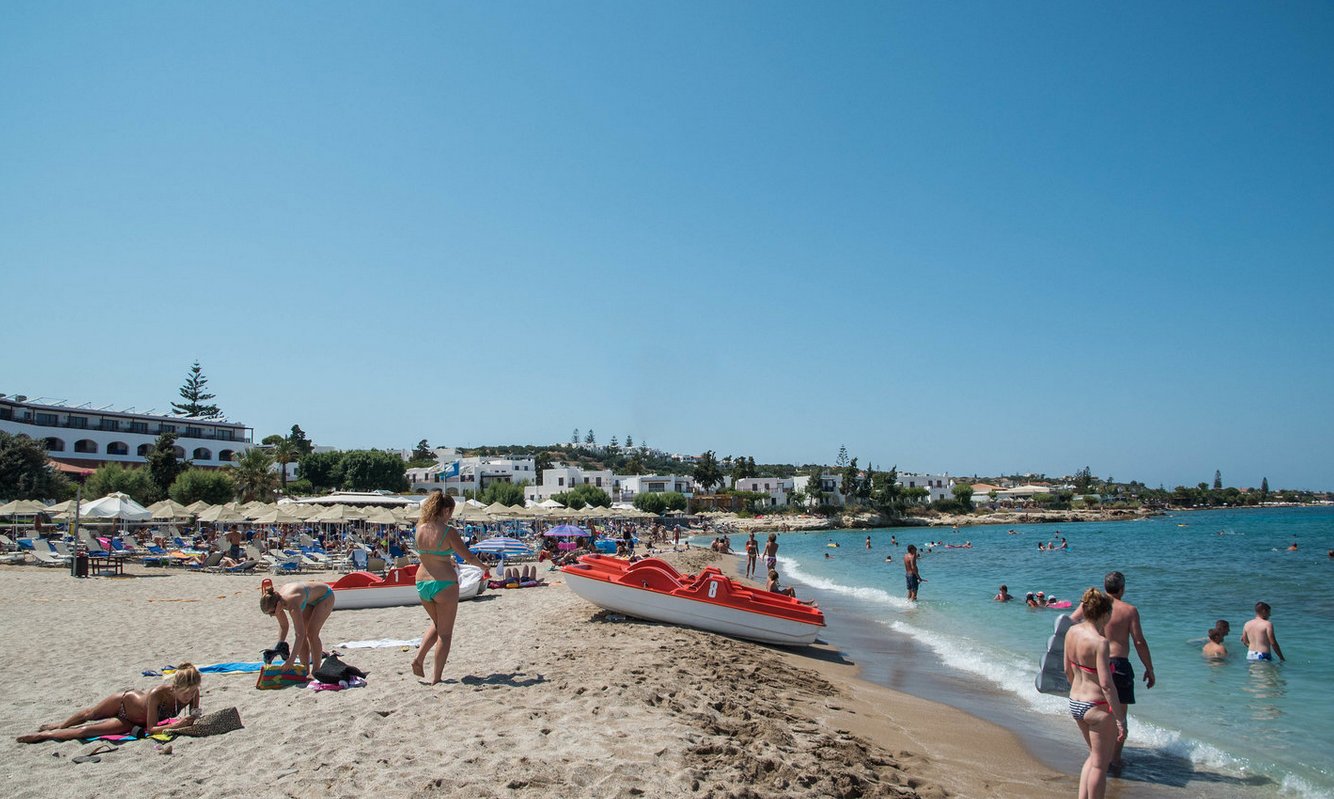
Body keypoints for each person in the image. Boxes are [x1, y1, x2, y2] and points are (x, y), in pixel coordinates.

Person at [1070, 570, 1154, 769]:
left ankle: (1097, 753)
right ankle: (1114, 759)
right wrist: (1149, 668)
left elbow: (1070, 621)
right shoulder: (1129, 610)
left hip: (1091, 664)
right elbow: (1139, 641)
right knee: (1119, 716)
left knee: (1097, 710)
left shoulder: (1091, 605)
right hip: (1118, 665)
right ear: (1122, 589)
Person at [411, 490, 490, 684]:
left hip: (422, 582)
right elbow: (468, 556)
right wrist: (484, 567)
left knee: (438, 625)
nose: (451, 515)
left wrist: (447, 559)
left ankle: (419, 657)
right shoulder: (448, 530)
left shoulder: (420, 528)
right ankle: (436, 678)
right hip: (444, 583)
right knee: (445, 634)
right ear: (445, 510)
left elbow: (429, 554)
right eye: (451, 511)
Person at [17, 664, 202, 742]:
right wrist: (178, 724)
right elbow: (151, 729)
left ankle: (47, 735)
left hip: (132, 722)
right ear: (174, 687)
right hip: (124, 702)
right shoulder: (157, 694)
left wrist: (192, 719)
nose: (189, 696)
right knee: (90, 715)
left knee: (86, 732)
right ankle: (59, 725)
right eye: (186, 693)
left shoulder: (194, 694)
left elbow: (194, 717)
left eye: (192, 692)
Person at [1064, 588, 1126, 799]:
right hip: (1096, 706)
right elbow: (1107, 685)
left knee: (1093, 757)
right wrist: (1120, 720)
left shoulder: (1071, 631)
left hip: (1075, 702)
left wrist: (1077, 691)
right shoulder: (1100, 643)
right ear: (1105, 614)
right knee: (1100, 765)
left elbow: (1067, 670)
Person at [260, 579, 335, 671]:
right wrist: (278, 647)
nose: (271, 615)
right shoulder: (276, 601)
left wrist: (291, 660)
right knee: (303, 637)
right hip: (308, 598)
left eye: (271, 612)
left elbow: (299, 635)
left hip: (325, 596)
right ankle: (305, 670)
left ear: (278, 605)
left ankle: (316, 671)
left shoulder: (293, 605)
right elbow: (284, 626)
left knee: (311, 634)